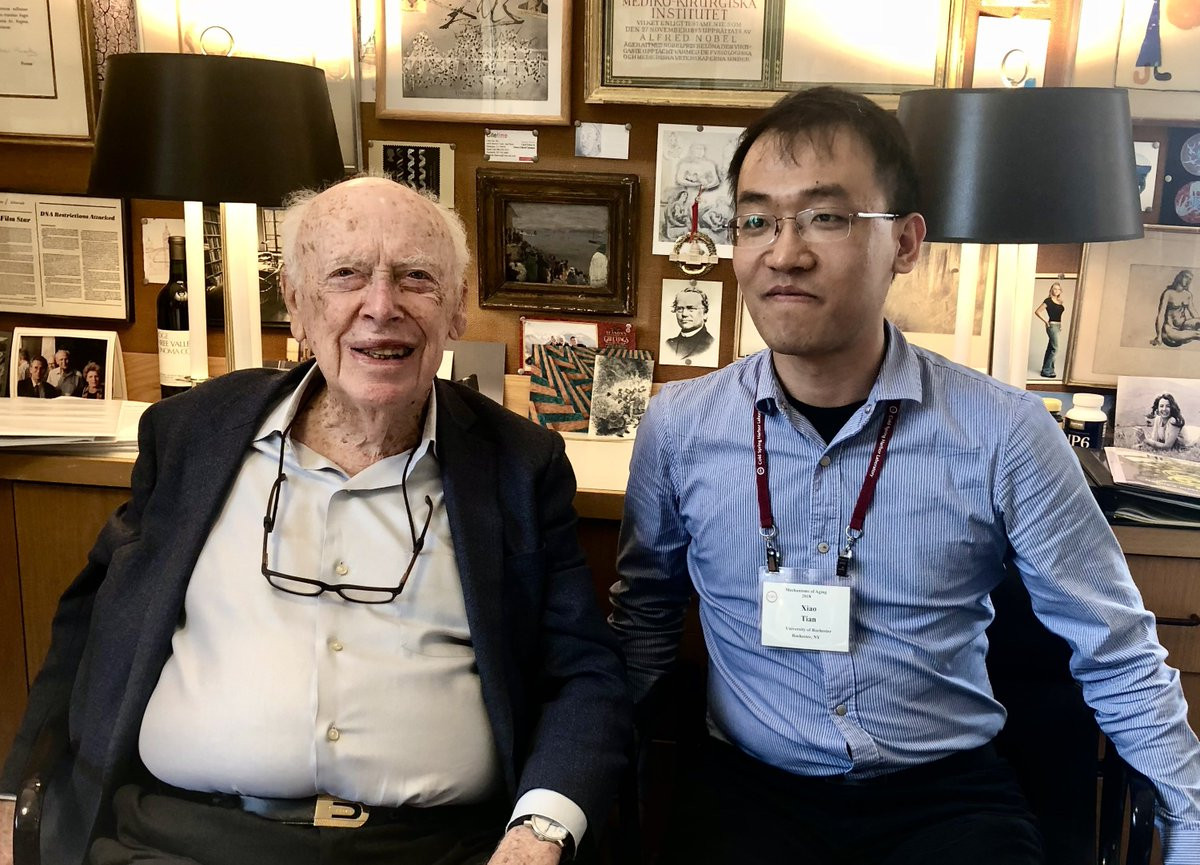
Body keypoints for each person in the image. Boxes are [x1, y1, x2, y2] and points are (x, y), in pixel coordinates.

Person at [610, 86, 1200, 865]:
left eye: (825, 217)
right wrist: (592, 787)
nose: (783, 252)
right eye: (756, 220)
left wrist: (1190, 826)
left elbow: (1116, 648)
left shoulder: (1005, 432)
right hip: (753, 793)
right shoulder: (680, 427)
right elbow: (643, 623)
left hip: (945, 799)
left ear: (906, 242)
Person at [0, 177, 630, 865]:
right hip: (181, 841)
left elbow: (583, 674)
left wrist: (537, 833)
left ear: (456, 309)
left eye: (416, 278)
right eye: (346, 275)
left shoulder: (520, 464)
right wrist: (10, 800)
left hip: (427, 848)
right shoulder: (192, 434)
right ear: (297, 305)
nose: (381, 306)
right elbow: (91, 626)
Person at [663, 286, 715, 365]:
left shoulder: (711, 345)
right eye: (680, 309)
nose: (684, 314)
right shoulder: (668, 344)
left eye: (691, 309)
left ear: (705, 314)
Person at [1151, 269, 1200, 347]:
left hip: (1183, 326)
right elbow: (1161, 315)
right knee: (1197, 334)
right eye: (1186, 277)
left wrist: (1198, 322)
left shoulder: (1188, 295)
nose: (1188, 280)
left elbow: (1193, 311)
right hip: (1170, 330)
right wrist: (1159, 335)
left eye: (1190, 279)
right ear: (1179, 277)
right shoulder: (1168, 293)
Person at [1033, 282, 1065, 378]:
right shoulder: (1048, 301)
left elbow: (1058, 315)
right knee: (1055, 349)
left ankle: (1047, 369)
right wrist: (1045, 322)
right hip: (1052, 326)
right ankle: (1047, 370)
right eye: (1054, 289)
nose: (1056, 290)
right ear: (1051, 290)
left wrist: (1060, 325)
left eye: (1058, 289)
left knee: (1051, 348)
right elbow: (1037, 311)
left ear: (1060, 291)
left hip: (1058, 326)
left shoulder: (1060, 302)